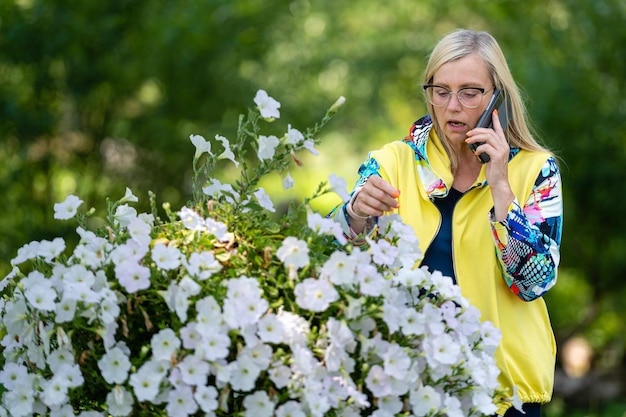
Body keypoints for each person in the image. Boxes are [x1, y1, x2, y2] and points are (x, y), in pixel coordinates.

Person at [329, 29, 563, 416]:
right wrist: (354, 215)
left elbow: (534, 282)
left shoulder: (537, 170)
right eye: (441, 91)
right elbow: (327, 255)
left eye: (470, 92)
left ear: (497, 99)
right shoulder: (391, 162)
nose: (452, 106)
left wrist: (502, 184)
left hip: (505, 395)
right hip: (404, 389)